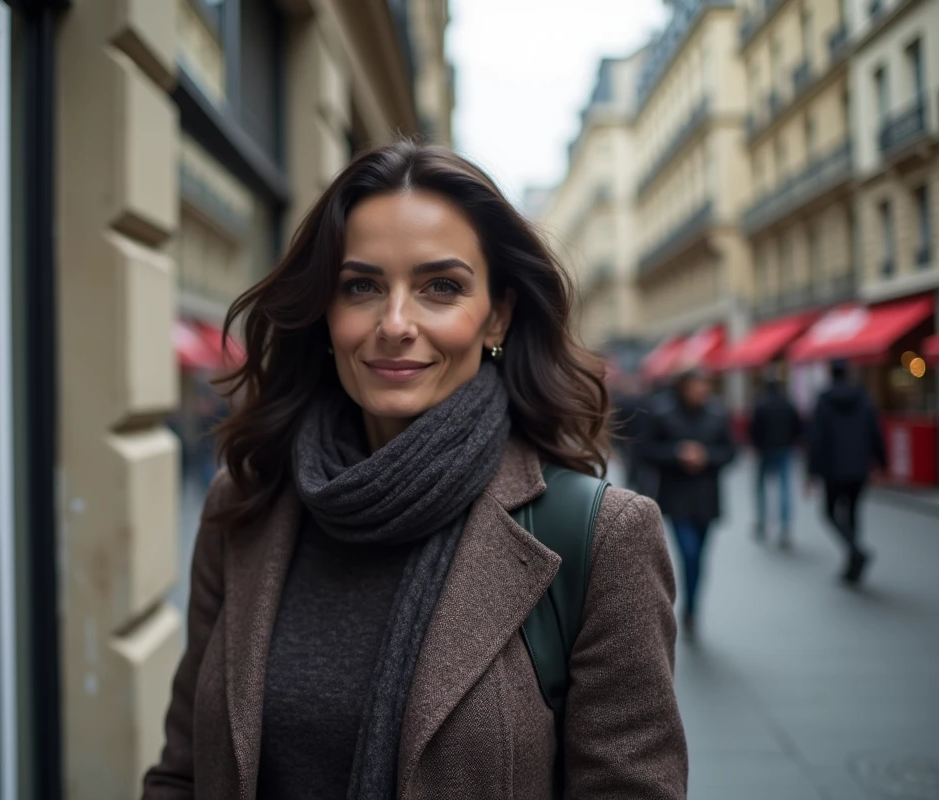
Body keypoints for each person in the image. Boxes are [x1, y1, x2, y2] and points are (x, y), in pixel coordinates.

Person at [142, 142, 687, 799]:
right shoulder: (245, 507)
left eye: (441, 287)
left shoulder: (600, 539)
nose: (395, 324)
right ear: (325, 312)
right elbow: (182, 775)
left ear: (498, 315)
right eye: (362, 286)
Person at [642, 369, 736, 640]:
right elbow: (647, 452)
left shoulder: (717, 414)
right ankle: (684, 606)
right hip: (677, 497)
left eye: (704, 385)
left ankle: (693, 607)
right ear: (683, 388)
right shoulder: (663, 413)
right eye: (696, 385)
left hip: (707, 498)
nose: (701, 390)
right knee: (689, 554)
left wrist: (706, 456)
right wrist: (677, 454)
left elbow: (730, 452)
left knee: (700, 558)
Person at [807, 360, 886, 586]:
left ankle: (855, 553)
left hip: (833, 468)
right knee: (852, 513)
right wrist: (881, 462)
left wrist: (811, 471)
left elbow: (817, 438)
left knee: (830, 512)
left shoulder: (824, 400)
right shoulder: (863, 398)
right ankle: (853, 559)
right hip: (859, 466)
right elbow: (875, 431)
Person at [749, 373, 804, 548]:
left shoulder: (761, 404)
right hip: (784, 449)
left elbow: (754, 428)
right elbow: (798, 426)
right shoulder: (787, 404)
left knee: (761, 487)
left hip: (765, 450)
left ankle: (762, 522)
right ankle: (785, 528)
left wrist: (757, 445)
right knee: (784, 488)